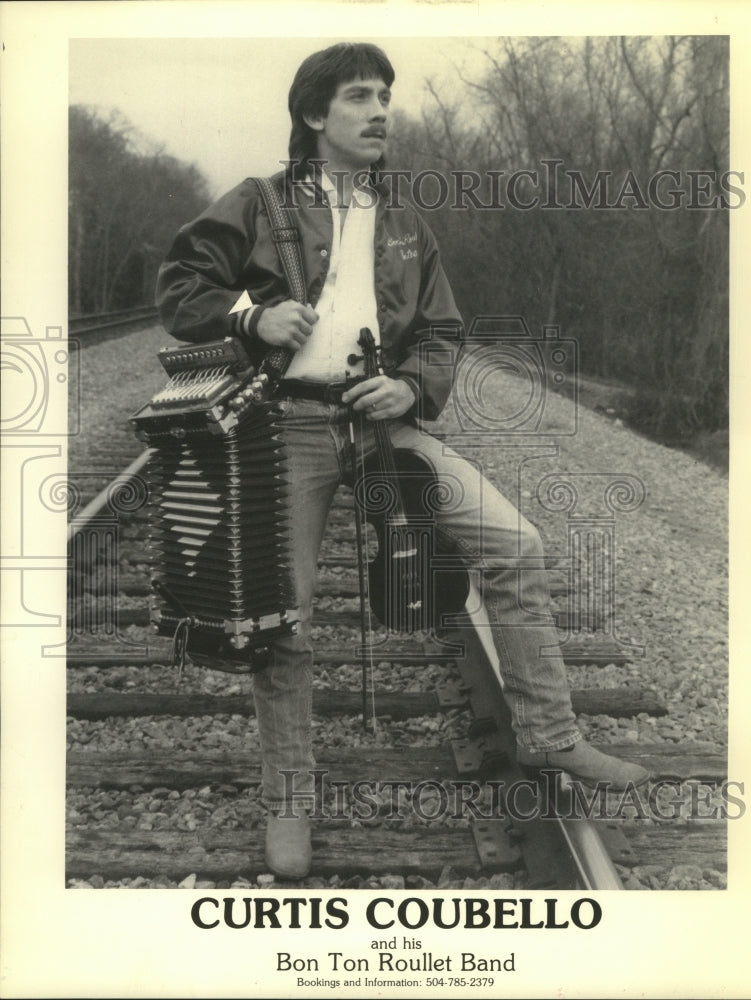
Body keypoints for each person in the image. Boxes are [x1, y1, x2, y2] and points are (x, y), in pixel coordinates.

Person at [156, 42, 648, 879]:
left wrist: (411, 391)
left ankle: (552, 737)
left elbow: (445, 331)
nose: (380, 109)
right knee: (287, 621)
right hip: (284, 428)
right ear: (315, 115)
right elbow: (176, 291)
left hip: (382, 427)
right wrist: (251, 319)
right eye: (359, 96)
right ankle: (290, 798)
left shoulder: (407, 220)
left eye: (385, 94)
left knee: (515, 545)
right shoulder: (259, 202)